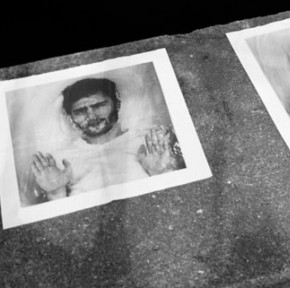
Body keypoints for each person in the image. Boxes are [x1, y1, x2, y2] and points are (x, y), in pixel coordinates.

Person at [30, 77, 184, 202]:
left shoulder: (150, 142)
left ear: (117, 103)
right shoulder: (61, 161)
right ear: (70, 117)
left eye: (99, 105)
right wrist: (56, 193)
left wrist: (163, 173)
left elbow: (176, 200)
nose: (92, 116)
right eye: (80, 111)